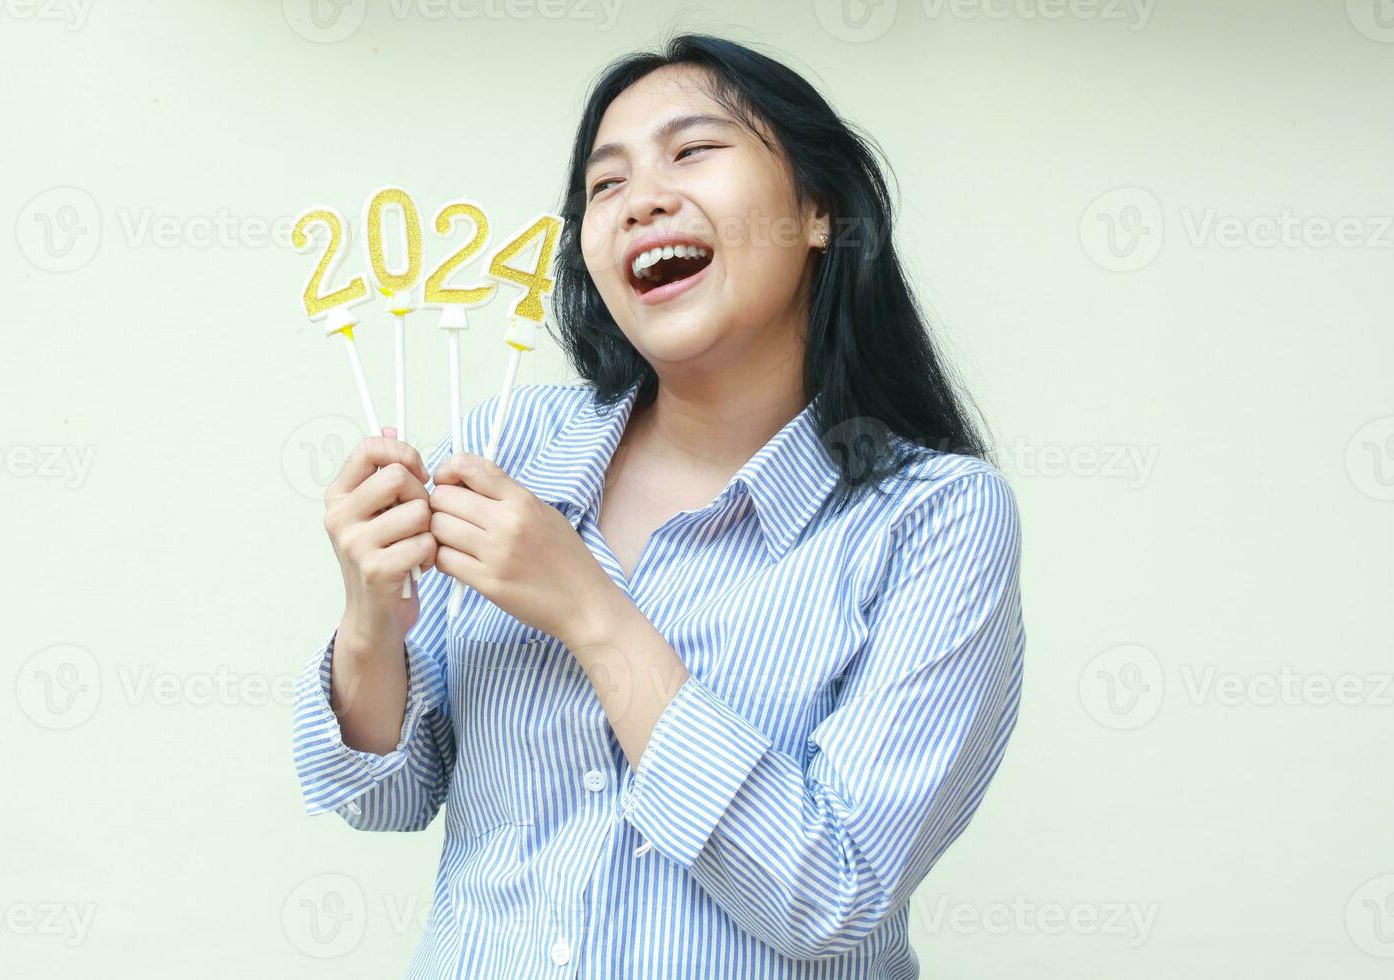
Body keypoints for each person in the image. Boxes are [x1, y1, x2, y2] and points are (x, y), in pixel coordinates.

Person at [292, 33, 1025, 980]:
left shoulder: (934, 521)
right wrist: (370, 624)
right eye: (605, 186)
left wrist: (591, 613)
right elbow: (384, 795)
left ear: (818, 211)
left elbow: (832, 892)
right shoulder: (510, 446)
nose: (642, 200)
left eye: (695, 152)